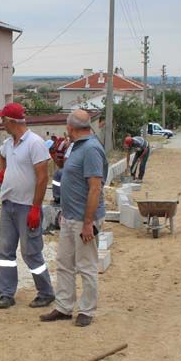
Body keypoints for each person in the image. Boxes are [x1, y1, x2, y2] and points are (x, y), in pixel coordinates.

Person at [40, 109, 107, 327]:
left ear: (70, 128)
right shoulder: (76, 146)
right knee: (64, 263)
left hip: (83, 219)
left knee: (86, 266)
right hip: (69, 217)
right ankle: (64, 307)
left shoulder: (91, 149)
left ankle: (86, 310)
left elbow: (95, 188)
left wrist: (88, 223)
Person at [0, 102, 55, 309]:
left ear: (11, 121)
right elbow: (0, 156)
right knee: (5, 252)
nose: (1, 123)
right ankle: (6, 294)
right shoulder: (8, 143)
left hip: (27, 207)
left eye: (3, 119)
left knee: (30, 252)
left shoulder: (35, 143)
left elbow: (42, 177)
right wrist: (3, 172)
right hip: (8, 205)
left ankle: (46, 292)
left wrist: (36, 208)